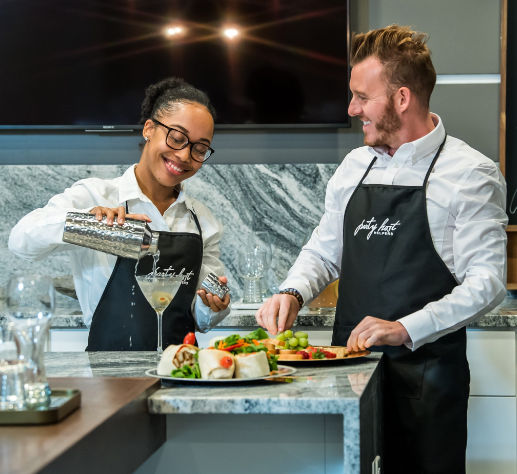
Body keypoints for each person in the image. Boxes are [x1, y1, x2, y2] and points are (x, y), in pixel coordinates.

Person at [256, 25, 507, 474]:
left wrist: (404, 328)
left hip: (426, 384)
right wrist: (291, 291)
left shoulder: (470, 173)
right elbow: (325, 248)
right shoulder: (355, 165)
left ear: (402, 98)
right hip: (347, 375)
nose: (352, 110)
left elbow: (486, 284)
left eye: (361, 97)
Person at [9, 77, 230, 351]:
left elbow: (202, 317)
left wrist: (214, 304)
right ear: (149, 129)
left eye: (198, 148)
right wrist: (89, 224)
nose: (184, 156)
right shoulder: (95, 195)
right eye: (176, 138)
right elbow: (20, 241)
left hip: (181, 370)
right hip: (108, 374)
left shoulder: (202, 220)